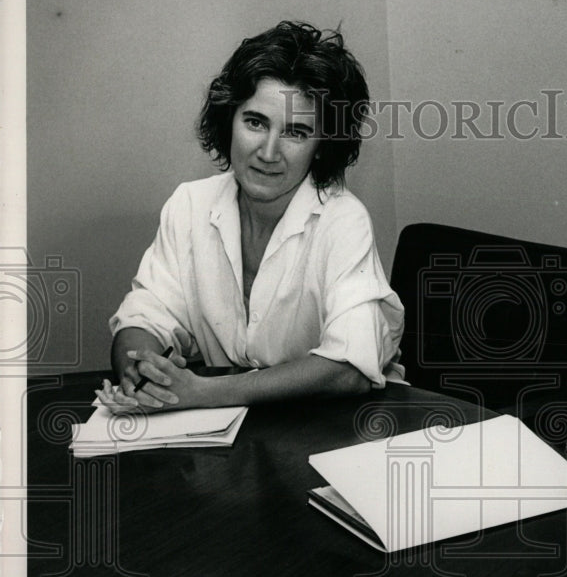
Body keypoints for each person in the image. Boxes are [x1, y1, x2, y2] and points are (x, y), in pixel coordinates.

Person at [100, 21, 404, 413]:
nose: (268, 152)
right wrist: (145, 372)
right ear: (228, 121)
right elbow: (144, 315)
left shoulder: (343, 220)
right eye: (255, 122)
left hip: (333, 427)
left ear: (322, 147)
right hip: (227, 439)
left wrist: (205, 393)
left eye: (295, 132)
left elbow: (350, 368)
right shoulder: (190, 204)